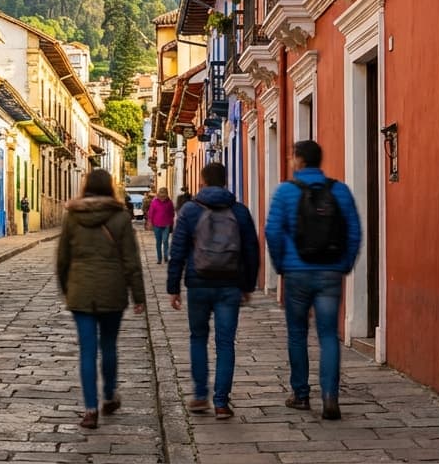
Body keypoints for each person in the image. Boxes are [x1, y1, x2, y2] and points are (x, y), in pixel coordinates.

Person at [265, 139, 362, 421]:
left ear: (300, 160)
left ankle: (300, 395)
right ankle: (330, 397)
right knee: (329, 335)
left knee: (297, 334)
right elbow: (354, 231)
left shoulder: (285, 192)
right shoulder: (340, 190)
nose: (291, 161)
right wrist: (343, 264)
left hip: (297, 273)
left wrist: (281, 265)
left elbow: (272, 231)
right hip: (331, 272)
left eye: (292, 157)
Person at [167, 162, 260, 420]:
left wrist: (173, 287)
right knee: (225, 343)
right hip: (230, 284)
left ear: (202, 181)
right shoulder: (239, 211)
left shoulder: (189, 210)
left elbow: (177, 251)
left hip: (198, 284)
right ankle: (221, 402)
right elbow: (252, 251)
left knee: (198, 337)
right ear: (226, 181)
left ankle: (199, 395)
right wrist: (248, 285)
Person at [56, 169, 146, 430]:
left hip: (81, 292)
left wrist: (67, 288)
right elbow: (131, 260)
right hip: (112, 290)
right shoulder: (120, 217)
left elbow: (63, 258)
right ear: (109, 187)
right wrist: (138, 295)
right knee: (108, 345)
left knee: (86, 350)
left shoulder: (72, 217)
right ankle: (108, 395)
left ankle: (90, 410)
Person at [147, 187, 176, 263]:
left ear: (166, 195)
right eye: (161, 194)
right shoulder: (154, 202)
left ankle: (166, 256)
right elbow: (151, 213)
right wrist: (150, 222)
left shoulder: (169, 202)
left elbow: (172, 213)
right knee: (158, 242)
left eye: (164, 195)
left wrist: (171, 223)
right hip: (156, 225)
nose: (162, 197)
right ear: (158, 194)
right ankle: (159, 258)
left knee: (165, 240)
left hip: (166, 224)